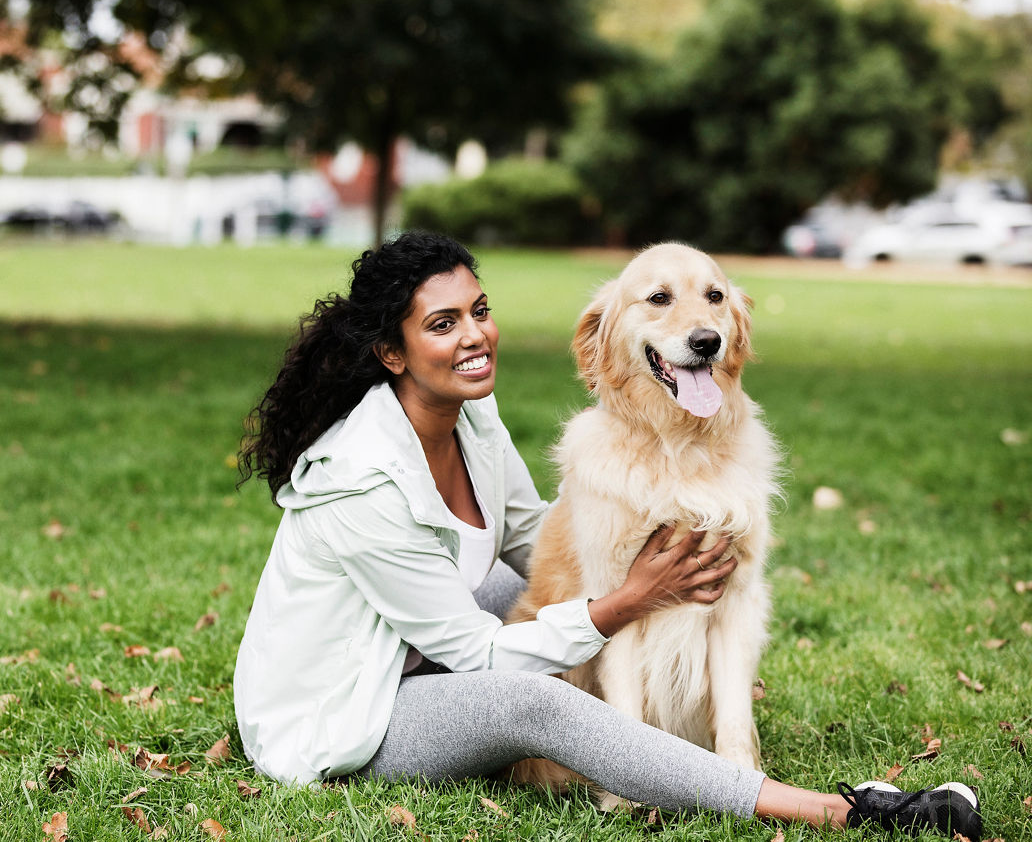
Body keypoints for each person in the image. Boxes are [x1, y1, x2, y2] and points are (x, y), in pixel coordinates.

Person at [232, 232, 982, 839]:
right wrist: (626, 600)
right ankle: (840, 810)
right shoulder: (363, 479)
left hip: (410, 639)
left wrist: (635, 533)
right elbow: (474, 652)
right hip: (343, 714)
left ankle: (659, 743)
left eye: (478, 309)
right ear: (391, 355)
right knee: (533, 703)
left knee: (513, 588)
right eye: (442, 323)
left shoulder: (468, 413)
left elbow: (535, 538)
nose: (475, 337)